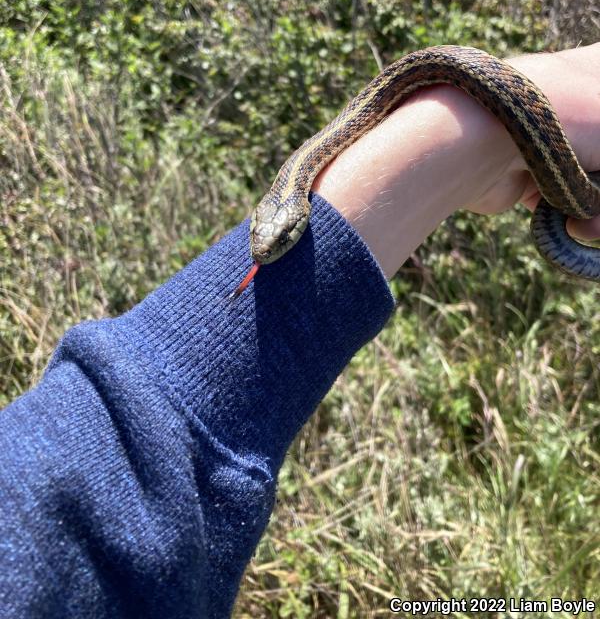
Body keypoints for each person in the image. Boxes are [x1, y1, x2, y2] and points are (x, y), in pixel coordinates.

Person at [1, 43, 599, 617]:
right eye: (278, 238)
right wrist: (463, 141)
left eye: (285, 239)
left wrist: (478, 132)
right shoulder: (288, 201)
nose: (273, 249)